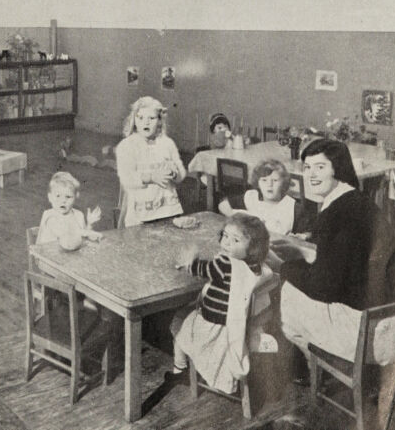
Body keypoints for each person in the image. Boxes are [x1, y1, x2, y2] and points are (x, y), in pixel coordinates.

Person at [280, 137, 395, 367]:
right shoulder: (358, 202)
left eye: (320, 167)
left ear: (338, 169)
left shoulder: (336, 214)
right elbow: (348, 257)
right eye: (307, 168)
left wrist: (283, 267)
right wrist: (308, 248)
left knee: (287, 292)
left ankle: (317, 365)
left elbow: (324, 288)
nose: (311, 175)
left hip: (370, 336)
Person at [169, 212, 272, 395]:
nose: (226, 243)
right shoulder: (256, 266)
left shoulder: (225, 264)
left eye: (235, 240)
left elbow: (200, 269)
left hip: (213, 326)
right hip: (239, 325)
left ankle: (180, 370)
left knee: (179, 324)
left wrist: (190, 260)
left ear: (253, 247)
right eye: (225, 236)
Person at [115, 95, 186, 225]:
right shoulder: (127, 146)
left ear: (159, 121)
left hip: (167, 211)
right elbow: (127, 178)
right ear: (134, 120)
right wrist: (151, 177)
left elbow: (181, 175)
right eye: (140, 117)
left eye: (151, 118)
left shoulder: (167, 143)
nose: (145, 122)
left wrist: (173, 173)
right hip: (140, 215)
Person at [218, 158, 316, 236]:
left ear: (284, 183)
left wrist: (303, 236)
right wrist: (236, 218)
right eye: (264, 180)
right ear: (258, 182)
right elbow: (223, 205)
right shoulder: (252, 197)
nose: (269, 185)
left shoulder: (293, 207)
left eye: (275, 180)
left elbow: (310, 232)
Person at [37, 171, 102, 250]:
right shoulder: (50, 216)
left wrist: (90, 224)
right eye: (58, 196)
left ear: (75, 197)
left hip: (69, 255)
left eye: (68, 197)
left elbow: (83, 239)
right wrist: (86, 232)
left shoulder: (78, 215)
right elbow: (67, 241)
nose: (63, 201)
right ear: (50, 197)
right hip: (48, 258)